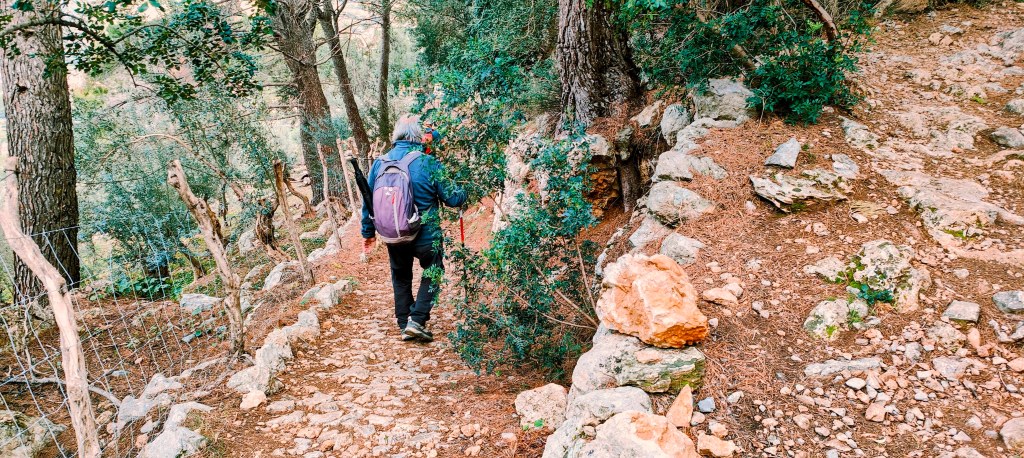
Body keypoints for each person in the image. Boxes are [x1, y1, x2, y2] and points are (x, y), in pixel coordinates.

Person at [361, 114, 466, 342]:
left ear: (396, 136)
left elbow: (368, 201)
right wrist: (463, 191)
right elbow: (451, 199)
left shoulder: (380, 162)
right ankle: (417, 320)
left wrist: (368, 233)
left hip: (392, 231)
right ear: (419, 137)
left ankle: (404, 323)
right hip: (426, 233)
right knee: (433, 270)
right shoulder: (427, 162)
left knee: (400, 275)